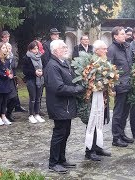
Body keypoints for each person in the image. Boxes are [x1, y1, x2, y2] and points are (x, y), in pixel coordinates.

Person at [44, 39, 83, 173]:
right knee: (59, 133)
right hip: (59, 105)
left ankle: (61, 159)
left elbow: (70, 80)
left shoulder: (63, 63)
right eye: (63, 47)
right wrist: (77, 89)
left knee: (66, 133)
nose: (66, 49)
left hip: (66, 105)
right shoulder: (52, 66)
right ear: (55, 50)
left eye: (66, 47)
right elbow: (58, 88)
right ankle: (53, 162)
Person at [84, 40, 112, 161]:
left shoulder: (104, 61)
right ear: (96, 50)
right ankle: (89, 150)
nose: (106, 51)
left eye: (106, 49)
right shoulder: (91, 62)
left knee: (100, 120)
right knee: (93, 122)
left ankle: (98, 146)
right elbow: (86, 79)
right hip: (93, 97)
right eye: (104, 49)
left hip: (103, 96)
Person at [107, 26, 134, 147]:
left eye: (124, 34)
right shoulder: (112, 49)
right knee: (118, 112)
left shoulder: (127, 46)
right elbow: (109, 68)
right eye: (122, 34)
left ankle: (122, 133)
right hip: (119, 85)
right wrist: (113, 86)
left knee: (125, 112)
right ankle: (116, 138)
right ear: (115, 36)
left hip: (128, 83)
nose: (125, 35)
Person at [0, 30, 27, 113]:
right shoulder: (0, 46)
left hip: (13, 70)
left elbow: (16, 56)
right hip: (5, 72)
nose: (7, 38)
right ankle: (4, 111)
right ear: (2, 38)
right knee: (8, 93)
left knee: (15, 90)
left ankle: (17, 106)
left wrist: (15, 63)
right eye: (5, 37)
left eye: (8, 37)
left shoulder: (12, 46)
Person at [22, 41, 45, 124]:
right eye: (34, 49)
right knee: (33, 98)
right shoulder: (26, 58)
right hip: (31, 79)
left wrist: (42, 72)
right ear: (30, 49)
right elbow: (25, 71)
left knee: (38, 98)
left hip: (40, 79)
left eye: (37, 48)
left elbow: (44, 67)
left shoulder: (40, 57)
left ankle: (37, 113)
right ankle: (31, 114)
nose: (36, 50)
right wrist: (34, 72)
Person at [0, 42, 12, 126]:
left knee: (5, 100)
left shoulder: (7, 59)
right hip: (0, 82)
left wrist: (9, 74)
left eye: (6, 47)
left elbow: (8, 69)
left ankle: (3, 115)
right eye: (3, 48)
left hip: (6, 82)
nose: (5, 49)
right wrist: (5, 75)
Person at [5, 42, 18, 121]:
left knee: (14, 98)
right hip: (4, 80)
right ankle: (2, 114)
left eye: (10, 48)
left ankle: (8, 113)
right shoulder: (1, 58)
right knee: (6, 99)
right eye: (7, 48)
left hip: (11, 79)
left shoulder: (12, 58)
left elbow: (14, 68)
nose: (9, 50)